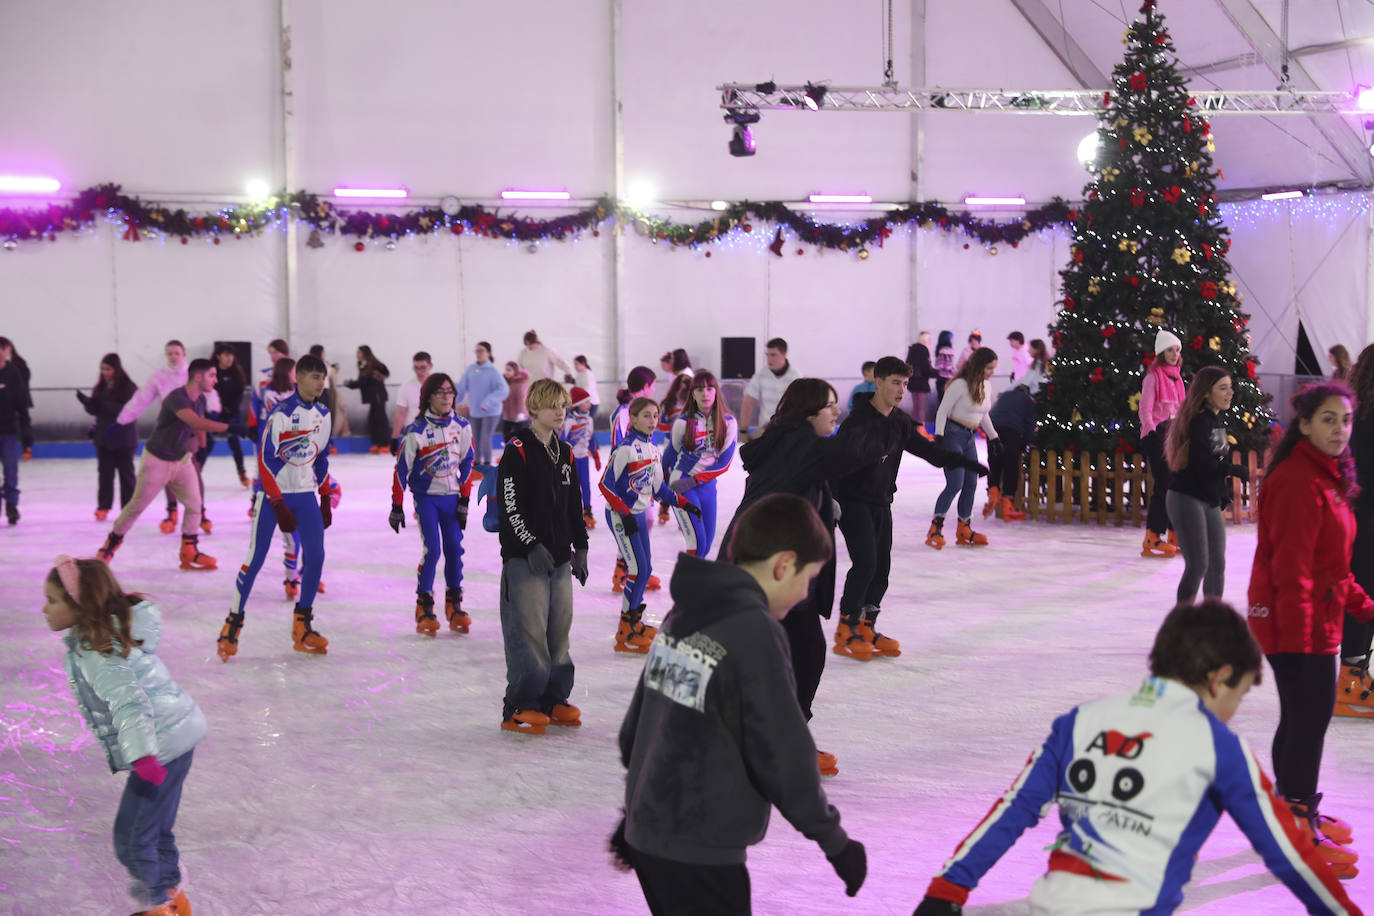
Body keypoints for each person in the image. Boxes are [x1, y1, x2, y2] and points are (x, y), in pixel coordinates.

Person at [910, 599, 1361, 916]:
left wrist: (947, 887)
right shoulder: (1220, 750)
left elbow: (1014, 810)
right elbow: (1289, 854)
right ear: (1219, 677)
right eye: (1239, 696)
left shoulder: (1080, 722)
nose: (1233, 712)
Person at [614, 494, 867, 914]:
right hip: (701, 847)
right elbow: (784, 754)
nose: (806, 594)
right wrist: (836, 843)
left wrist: (641, 809)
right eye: (809, 578)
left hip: (650, 837)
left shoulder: (686, 611)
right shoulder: (754, 630)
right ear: (784, 564)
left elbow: (635, 730)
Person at [721, 378, 909, 774]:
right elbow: (848, 454)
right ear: (809, 413)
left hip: (776, 569)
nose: (835, 412)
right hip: (765, 570)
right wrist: (878, 422)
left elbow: (816, 475)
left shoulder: (792, 443)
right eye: (829, 406)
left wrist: (826, 507)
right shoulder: (798, 444)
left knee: (798, 654)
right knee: (797, 655)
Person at [1249, 381, 1374, 875]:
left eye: (1344, 420)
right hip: (1295, 624)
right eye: (1327, 419)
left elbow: (1333, 568)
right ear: (1303, 424)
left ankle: (1292, 808)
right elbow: (1293, 571)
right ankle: (1298, 826)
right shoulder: (1300, 481)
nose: (1339, 430)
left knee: (1302, 719)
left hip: (1312, 619)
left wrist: (1366, 607)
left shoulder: (1328, 476)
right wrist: (1304, 642)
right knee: (1308, 721)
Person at [44, 555, 207, 916]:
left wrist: (143, 755)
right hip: (178, 735)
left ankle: (157, 906)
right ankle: (169, 894)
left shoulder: (96, 651)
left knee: (131, 840)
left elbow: (130, 703)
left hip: (159, 747)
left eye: (53, 600)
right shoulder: (106, 634)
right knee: (155, 827)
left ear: (79, 605)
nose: (45, 608)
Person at [835, 356, 985, 659]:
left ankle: (866, 626)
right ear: (878, 382)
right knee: (865, 563)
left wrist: (964, 462)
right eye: (895, 382)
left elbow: (929, 451)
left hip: (881, 501)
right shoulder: (858, 421)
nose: (902, 390)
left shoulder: (899, 421)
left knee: (882, 568)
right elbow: (837, 462)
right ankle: (845, 631)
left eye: (905, 384)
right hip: (851, 500)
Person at [216, 354, 334, 661]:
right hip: (273, 497)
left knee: (317, 557)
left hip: (306, 494)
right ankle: (232, 624)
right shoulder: (280, 413)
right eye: (315, 377)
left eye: (323, 378)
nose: (321, 383)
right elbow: (265, 462)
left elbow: (320, 458)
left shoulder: (324, 413)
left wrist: (323, 497)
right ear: (300, 378)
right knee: (255, 559)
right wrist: (277, 503)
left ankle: (302, 626)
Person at [495, 378, 589, 734]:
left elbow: (572, 506)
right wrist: (528, 545)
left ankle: (553, 698)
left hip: (559, 560)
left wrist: (579, 547)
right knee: (529, 633)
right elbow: (510, 506)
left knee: (559, 634)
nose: (560, 412)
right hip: (526, 559)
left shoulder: (564, 452)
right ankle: (521, 704)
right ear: (534, 408)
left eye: (563, 406)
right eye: (552, 406)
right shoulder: (517, 449)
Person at [96, 359, 226, 571]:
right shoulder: (176, 398)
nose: (216, 379)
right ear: (199, 377)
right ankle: (109, 547)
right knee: (136, 507)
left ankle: (189, 551)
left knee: (195, 505)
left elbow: (197, 426)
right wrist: (233, 427)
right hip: (157, 460)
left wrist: (201, 447)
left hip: (180, 459)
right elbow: (195, 422)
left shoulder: (201, 399)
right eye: (212, 375)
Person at [601, 397, 702, 654]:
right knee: (636, 570)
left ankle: (634, 620)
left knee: (645, 570)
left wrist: (683, 503)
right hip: (621, 515)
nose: (652, 421)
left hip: (639, 512)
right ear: (633, 419)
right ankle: (625, 631)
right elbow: (605, 484)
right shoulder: (624, 449)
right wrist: (624, 514)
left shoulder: (653, 448)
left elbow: (660, 489)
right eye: (646, 416)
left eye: (655, 416)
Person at [390, 372, 475, 637]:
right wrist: (396, 505)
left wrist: (464, 498)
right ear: (428, 397)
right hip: (426, 498)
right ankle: (424, 605)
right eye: (440, 393)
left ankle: (454, 603)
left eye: (450, 392)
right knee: (433, 550)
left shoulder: (461, 426)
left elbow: (468, 462)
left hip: (451, 499)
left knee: (454, 548)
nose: (447, 397)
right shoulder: (415, 431)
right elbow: (401, 470)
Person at [1165, 366, 1245, 602]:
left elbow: (1218, 460)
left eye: (1230, 387)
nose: (1230, 393)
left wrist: (1222, 493)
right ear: (1207, 393)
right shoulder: (1199, 422)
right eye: (1223, 388)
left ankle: (1212, 618)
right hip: (1187, 497)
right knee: (1198, 564)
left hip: (1207, 498)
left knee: (1216, 563)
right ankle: (1183, 622)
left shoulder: (1217, 421)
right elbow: (1203, 463)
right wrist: (1232, 470)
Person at [111, 340, 189, 534]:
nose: (173, 357)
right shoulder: (159, 377)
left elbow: (210, 394)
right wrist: (122, 420)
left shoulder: (193, 375)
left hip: (192, 431)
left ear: (184, 354)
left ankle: (200, 513)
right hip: (169, 431)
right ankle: (172, 512)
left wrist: (214, 412)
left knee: (193, 473)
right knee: (168, 473)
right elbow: (140, 399)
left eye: (177, 353)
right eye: (169, 353)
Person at [929, 348, 1001, 549]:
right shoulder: (959, 385)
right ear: (978, 366)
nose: (992, 372)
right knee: (955, 484)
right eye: (989, 368)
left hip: (970, 437)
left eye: (994, 368)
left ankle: (964, 529)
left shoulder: (986, 386)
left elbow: (983, 413)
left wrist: (994, 437)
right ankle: (935, 528)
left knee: (971, 483)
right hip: (953, 435)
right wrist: (939, 436)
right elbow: (942, 410)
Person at [663, 370, 738, 558]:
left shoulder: (728, 422)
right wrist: (660, 488)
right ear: (693, 394)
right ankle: (687, 587)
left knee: (705, 546)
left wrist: (696, 481)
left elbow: (724, 463)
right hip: (682, 483)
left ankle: (695, 585)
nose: (705, 393)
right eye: (699, 389)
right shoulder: (682, 423)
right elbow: (669, 456)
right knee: (697, 544)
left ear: (716, 392)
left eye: (709, 388)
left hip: (705, 485)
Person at [1341, 344, 1374, 717]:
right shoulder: (1364, 417)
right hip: (1365, 518)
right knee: (1363, 595)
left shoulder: (1355, 413)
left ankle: (1355, 674)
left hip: (1357, 515)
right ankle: (1350, 679)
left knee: (1363, 594)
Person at [608, 367, 661, 593]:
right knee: (641, 520)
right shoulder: (623, 413)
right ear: (647, 386)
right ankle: (628, 569)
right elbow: (616, 446)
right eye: (654, 385)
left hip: (642, 475)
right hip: (628, 480)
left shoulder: (644, 410)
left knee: (647, 520)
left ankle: (634, 568)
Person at [1139, 330, 1186, 558]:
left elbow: (1182, 409)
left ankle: (1173, 533)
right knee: (1164, 484)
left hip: (1173, 434)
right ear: (1160, 352)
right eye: (1170, 350)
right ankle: (1152, 537)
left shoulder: (1177, 378)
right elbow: (1145, 410)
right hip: (1156, 434)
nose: (1174, 354)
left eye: (1177, 350)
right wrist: (1153, 431)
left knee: (1176, 485)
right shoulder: (1152, 377)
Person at [76, 353, 138, 520]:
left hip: (124, 439)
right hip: (104, 439)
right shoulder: (101, 387)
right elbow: (96, 411)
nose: (105, 372)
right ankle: (103, 506)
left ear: (117, 369)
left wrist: (101, 404)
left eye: (108, 369)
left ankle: (129, 508)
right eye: (103, 369)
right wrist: (88, 403)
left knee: (126, 475)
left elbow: (126, 411)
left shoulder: (129, 387)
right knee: (105, 475)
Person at [984, 380, 1034, 522]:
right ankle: (1008, 503)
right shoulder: (1028, 401)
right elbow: (1030, 426)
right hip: (1011, 431)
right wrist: (1024, 445)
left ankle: (993, 492)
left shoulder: (1004, 395)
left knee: (995, 462)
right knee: (1011, 464)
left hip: (992, 429)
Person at [456, 341, 508, 466]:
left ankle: (488, 463)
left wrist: (488, 402)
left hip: (491, 411)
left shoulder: (493, 371)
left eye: (481, 351)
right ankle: (478, 463)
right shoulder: (471, 370)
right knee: (476, 438)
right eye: (477, 351)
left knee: (485, 437)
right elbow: (462, 388)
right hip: (475, 411)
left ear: (488, 353)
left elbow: (503, 390)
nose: (478, 353)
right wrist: (453, 402)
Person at [655, 372, 695, 524]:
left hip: (687, 447)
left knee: (684, 477)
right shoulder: (668, 404)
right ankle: (664, 506)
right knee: (669, 476)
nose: (685, 386)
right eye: (683, 383)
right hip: (671, 444)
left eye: (688, 384)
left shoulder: (693, 403)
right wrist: (674, 426)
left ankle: (684, 511)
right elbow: (661, 424)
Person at [739, 337, 800, 435]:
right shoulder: (761, 375)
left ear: (784, 355)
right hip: (766, 431)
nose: (769, 359)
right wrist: (743, 430)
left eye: (773, 355)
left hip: (789, 430)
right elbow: (748, 402)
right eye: (767, 355)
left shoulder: (796, 377)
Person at [0, 337, 32, 524]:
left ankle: (11, 506)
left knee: (11, 471)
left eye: (1, 349)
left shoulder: (13, 372)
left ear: (6, 350)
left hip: (9, 431)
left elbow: (22, 402)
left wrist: (26, 432)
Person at [561, 386, 601, 530]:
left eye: (589, 401)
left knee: (586, 485)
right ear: (577, 404)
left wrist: (595, 455)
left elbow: (592, 438)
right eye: (585, 402)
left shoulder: (589, 419)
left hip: (583, 458)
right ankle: (571, 513)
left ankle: (587, 510)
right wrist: (573, 440)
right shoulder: (569, 421)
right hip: (572, 459)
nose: (589, 404)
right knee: (572, 487)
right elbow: (562, 441)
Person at [210, 343, 250, 487]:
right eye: (226, 355)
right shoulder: (211, 372)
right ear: (218, 356)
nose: (230, 358)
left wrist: (231, 408)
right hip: (215, 413)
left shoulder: (236, 372)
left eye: (231, 355)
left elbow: (240, 392)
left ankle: (241, 470)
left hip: (232, 412)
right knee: (208, 442)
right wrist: (217, 408)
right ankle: (196, 471)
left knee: (235, 443)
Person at [344, 345, 390, 453]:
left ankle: (385, 444)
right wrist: (351, 384)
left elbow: (366, 381)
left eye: (359, 353)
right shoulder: (362, 365)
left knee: (380, 420)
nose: (357, 355)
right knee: (373, 420)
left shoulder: (374, 364)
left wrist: (351, 384)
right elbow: (362, 381)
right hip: (372, 398)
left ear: (365, 353)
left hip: (378, 396)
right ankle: (378, 443)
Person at [390, 350, 433, 455]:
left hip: (435, 436)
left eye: (423, 367)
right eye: (416, 368)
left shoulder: (439, 386)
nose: (419, 371)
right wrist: (394, 437)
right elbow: (400, 413)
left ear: (430, 366)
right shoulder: (406, 387)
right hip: (413, 435)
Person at [0, 337, 35, 461]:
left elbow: (25, 378)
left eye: (6, 348)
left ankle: (27, 447)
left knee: (23, 422)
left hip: (18, 400)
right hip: (5, 402)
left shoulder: (18, 363)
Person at [905, 331, 936, 425]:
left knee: (915, 407)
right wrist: (936, 373)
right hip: (922, 381)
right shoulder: (924, 350)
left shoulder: (912, 349)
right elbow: (926, 368)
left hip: (912, 381)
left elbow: (907, 364)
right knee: (921, 408)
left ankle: (913, 427)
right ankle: (921, 427)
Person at [500, 360, 531, 443]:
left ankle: (521, 453)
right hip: (507, 415)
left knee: (520, 438)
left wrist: (521, 413)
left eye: (509, 370)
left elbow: (521, 399)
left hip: (519, 417)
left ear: (515, 371)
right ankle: (508, 451)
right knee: (506, 436)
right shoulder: (506, 382)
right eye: (506, 370)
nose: (507, 372)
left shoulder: (519, 383)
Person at [573, 354, 601, 420]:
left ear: (583, 363)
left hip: (591, 403)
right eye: (574, 364)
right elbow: (578, 387)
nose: (575, 366)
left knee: (588, 423)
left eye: (576, 364)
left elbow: (587, 390)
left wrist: (579, 402)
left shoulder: (588, 374)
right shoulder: (579, 374)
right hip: (582, 403)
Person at [933, 330, 957, 402]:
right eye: (952, 338)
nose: (953, 339)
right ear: (948, 339)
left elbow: (938, 366)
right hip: (947, 380)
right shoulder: (948, 351)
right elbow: (949, 367)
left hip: (940, 380)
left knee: (941, 403)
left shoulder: (940, 350)